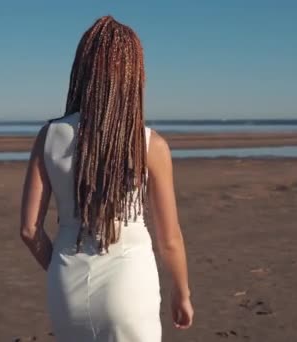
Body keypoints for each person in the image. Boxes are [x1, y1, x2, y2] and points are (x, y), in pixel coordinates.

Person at [19, 15, 193, 341]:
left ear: (82, 69)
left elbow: (30, 230)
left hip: (67, 284)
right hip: (129, 283)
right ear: (134, 75)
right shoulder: (150, 144)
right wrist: (181, 293)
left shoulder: (49, 136)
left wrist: (59, 265)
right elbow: (169, 239)